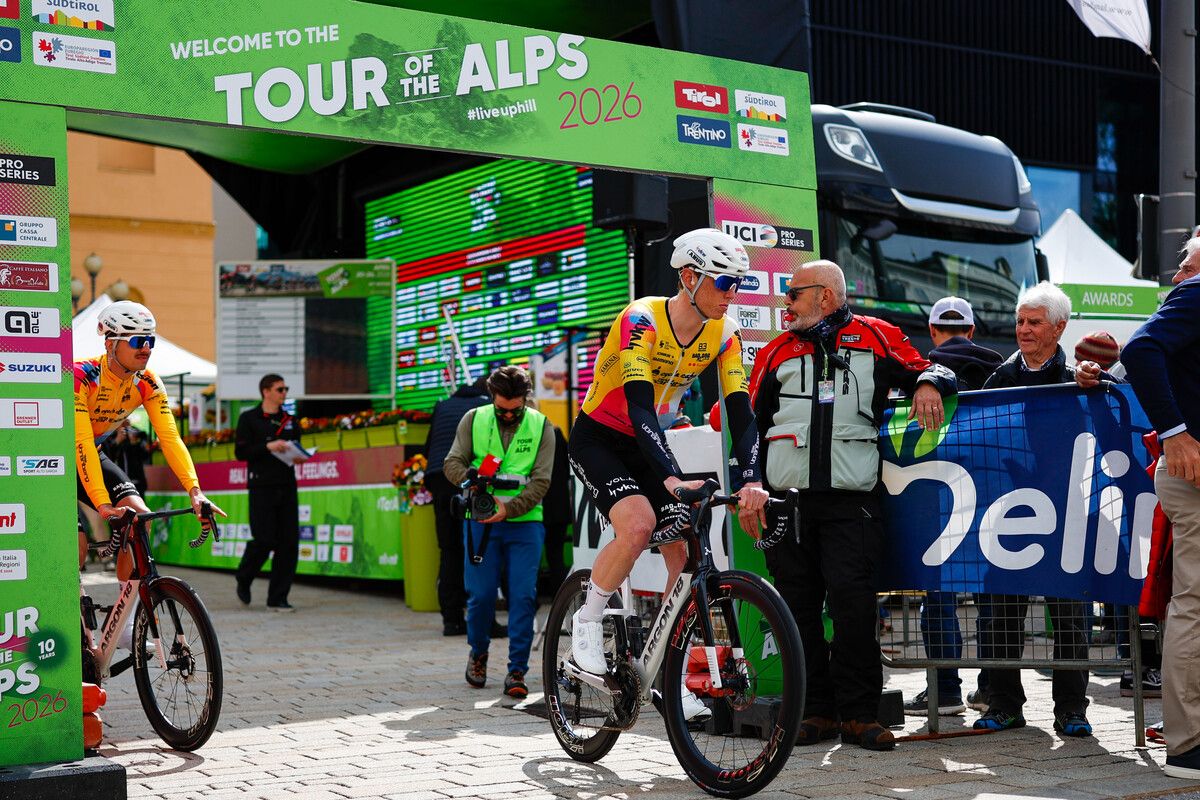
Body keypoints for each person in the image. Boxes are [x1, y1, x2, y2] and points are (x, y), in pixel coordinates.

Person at [748, 260, 957, 751]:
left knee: (853, 606)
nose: (786, 302)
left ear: (825, 295)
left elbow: (934, 366)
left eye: (794, 293)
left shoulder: (876, 336)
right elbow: (750, 430)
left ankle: (860, 715)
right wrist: (751, 486)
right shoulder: (776, 350)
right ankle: (814, 712)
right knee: (796, 611)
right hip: (786, 506)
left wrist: (928, 384)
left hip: (852, 502)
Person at [567, 229, 770, 699]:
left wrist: (751, 479)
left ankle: (663, 663)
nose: (732, 295)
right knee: (638, 526)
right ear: (689, 276)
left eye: (738, 284)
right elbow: (639, 406)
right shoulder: (641, 319)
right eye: (724, 284)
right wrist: (670, 477)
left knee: (686, 549)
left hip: (646, 440)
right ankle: (588, 617)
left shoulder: (725, 333)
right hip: (600, 437)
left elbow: (739, 410)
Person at [974, 282, 1111, 738]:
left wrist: (1098, 381)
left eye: (1034, 322)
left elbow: (1113, 424)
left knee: (1070, 615)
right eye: (1019, 321)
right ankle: (1004, 704)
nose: (1024, 330)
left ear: (1059, 327)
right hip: (1008, 515)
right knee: (1000, 615)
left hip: (1067, 515)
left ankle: (1072, 709)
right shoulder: (1000, 376)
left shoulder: (1080, 377)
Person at [75, 301, 225, 646]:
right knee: (77, 547)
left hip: (91, 456)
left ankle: (124, 622)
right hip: (55, 461)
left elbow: (170, 439)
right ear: (111, 342)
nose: (146, 348)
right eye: (138, 341)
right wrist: (101, 505)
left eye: (151, 341)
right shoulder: (82, 375)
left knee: (140, 516)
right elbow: (81, 443)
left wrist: (195, 491)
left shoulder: (146, 382)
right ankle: (70, 612)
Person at [1121, 237, 1200, 779]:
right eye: (1183, 266)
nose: (1179, 273)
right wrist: (1175, 433)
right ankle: (1189, 744)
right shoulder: (1197, 294)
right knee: (1195, 604)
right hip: (1193, 471)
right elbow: (1139, 350)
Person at [904, 296, 1003, 717]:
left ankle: (943, 689)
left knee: (939, 596)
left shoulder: (923, 372)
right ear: (972, 330)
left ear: (933, 331)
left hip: (941, 497)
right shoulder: (1000, 368)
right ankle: (989, 690)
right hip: (999, 495)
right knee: (992, 599)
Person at [443, 365, 555, 699]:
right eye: (501, 408)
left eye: (514, 409)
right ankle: (478, 652)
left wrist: (508, 508)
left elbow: (542, 481)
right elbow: (452, 463)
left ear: (526, 399)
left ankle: (517, 670)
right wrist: (470, 480)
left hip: (525, 523)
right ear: (492, 397)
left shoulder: (541, 425)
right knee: (481, 596)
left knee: (522, 596)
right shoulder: (473, 419)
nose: (507, 415)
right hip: (479, 523)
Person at [234, 374, 308, 611]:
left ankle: (278, 597)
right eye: (279, 389)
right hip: (261, 486)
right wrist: (268, 446)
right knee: (264, 539)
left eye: (285, 389)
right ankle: (244, 576)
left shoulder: (291, 420)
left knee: (288, 543)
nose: (284, 393)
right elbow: (240, 451)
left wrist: (298, 456)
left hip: (286, 485)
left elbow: (297, 447)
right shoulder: (249, 418)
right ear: (266, 391)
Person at [424, 377, 490, 636]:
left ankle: (451, 620)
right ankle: (481, 618)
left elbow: (429, 447)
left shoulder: (442, 405)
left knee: (449, 549)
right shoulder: (484, 407)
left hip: (438, 478)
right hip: (467, 479)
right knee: (477, 548)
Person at [101, 419, 150, 496]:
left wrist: (134, 443)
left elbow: (145, 456)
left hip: (137, 481)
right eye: (121, 422)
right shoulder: (110, 436)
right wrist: (117, 441)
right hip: (119, 482)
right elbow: (107, 457)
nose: (125, 425)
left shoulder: (134, 433)